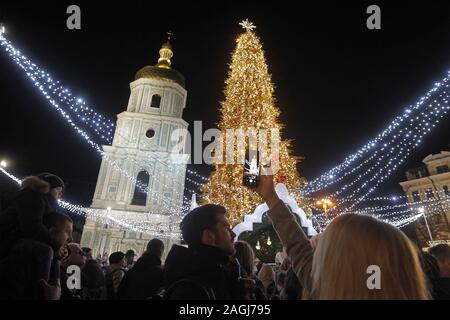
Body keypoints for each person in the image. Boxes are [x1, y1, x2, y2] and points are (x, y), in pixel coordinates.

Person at [254, 173, 430, 299]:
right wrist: (270, 196)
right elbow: (298, 247)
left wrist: (270, 196)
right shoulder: (328, 287)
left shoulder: (324, 289)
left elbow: (298, 248)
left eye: (325, 252)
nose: (316, 261)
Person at [163, 204, 244, 300]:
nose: (233, 234)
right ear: (209, 237)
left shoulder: (215, 276)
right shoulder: (190, 292)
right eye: (226, 228)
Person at [0, 212, 72, 299]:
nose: (70, 239)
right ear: (52, 231)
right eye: (68, 232)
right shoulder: (22, 260)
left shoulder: (52, 263)